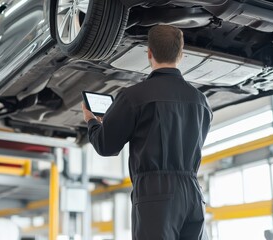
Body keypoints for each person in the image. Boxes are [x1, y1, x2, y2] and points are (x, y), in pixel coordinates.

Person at [82, 25, 212, 240]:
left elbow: (106, 146)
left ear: (149, 53)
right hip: (193, 192)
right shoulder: (201, 100)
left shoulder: (134, 97)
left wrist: (92, 122)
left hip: (156, 193)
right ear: (181, 55)